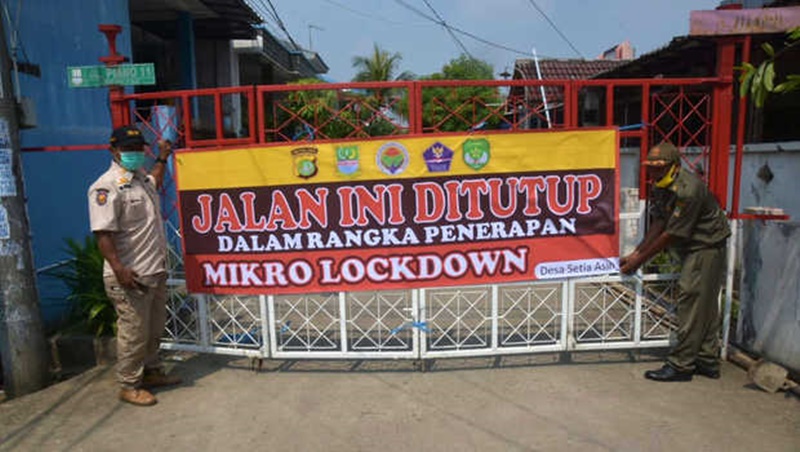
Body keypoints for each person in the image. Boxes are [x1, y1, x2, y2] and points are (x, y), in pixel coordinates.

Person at [620, 142, 731, 382]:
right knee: (703, 304)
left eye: (658, 167)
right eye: (650, 167)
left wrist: (639, 261)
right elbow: (659, 222)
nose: (653, 172)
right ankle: (707, 360)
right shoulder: (661, 185)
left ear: (674, 166)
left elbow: (672, 233)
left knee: (691, 300)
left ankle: (682, 364)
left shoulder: (688, 190)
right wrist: (636, 253)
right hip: (691, 244)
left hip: (705, 245)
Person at [88, 125, 181, 406]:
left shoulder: (140, 178)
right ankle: (129, 385)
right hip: (130, 274)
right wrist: (119, 269)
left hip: (153, 269)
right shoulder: (105, 187)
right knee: (134, 333)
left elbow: (155, 179)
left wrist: (163, 157)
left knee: (154, 328)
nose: (134, 153)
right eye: (127, 149)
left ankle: (151, 372)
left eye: (138, 148)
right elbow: (103, 234)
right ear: (113, 151)